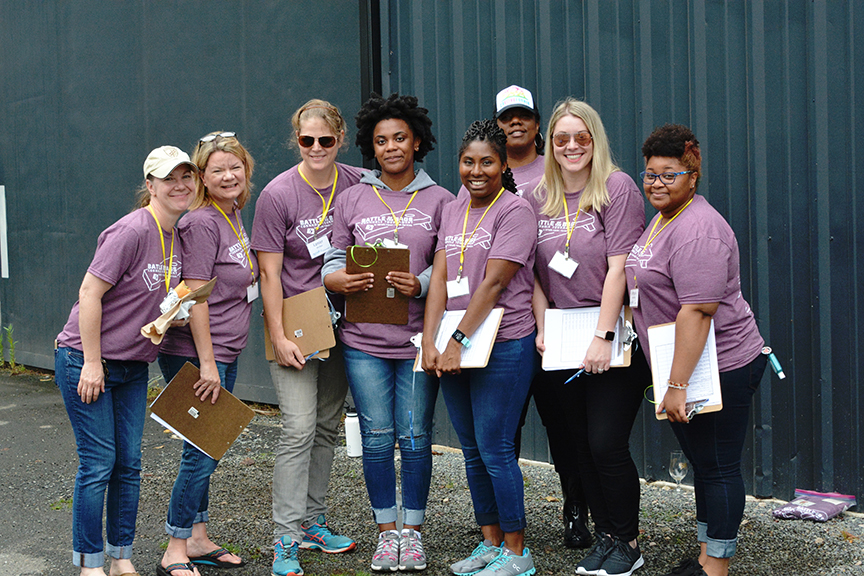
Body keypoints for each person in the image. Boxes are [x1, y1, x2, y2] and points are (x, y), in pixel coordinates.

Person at [625, 124, 767, 576]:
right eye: (650, 175)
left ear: (693, 175)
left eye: (669, 175)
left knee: (719, 467)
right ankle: (706, 556)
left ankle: (715, 568)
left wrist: (676, 385)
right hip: (685, 362)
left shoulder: (699, 230)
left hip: (718, 365)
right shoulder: (664, 218)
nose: (657, 184)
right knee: (705, 464)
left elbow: (699, 312)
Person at [322, 93, 452, 572]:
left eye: (400, 138)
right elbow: (331, 260)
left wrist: (420, 283)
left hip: (418, 340)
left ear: (417, 142)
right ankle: (385, 533)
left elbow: (449, 266)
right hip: (364, 342)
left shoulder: (442, 200)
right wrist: (337, 280)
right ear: (370, 147)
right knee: (377, 438)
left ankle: (412, 535)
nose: (391, 147)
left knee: (415, 436)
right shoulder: (352, 198)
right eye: (381, 141)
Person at [55, 146, 197, 576]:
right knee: (98, 464)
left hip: (134, 365)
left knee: (129, 465)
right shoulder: (131, 230)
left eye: (186, 176)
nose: (180, 185)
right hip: (87, 359)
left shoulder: (177, 234)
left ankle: (121, 558)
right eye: (168, 178)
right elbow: (89, 293)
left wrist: (173, 316)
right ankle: (89, 564)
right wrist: (92, 362)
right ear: (150, 185)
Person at [527, 98, 650, 576]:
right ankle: (606, 536)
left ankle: (629, 542)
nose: (572, 146)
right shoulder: (539, 195)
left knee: (605, 443)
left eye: (582, 137)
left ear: (595, 140)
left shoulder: (616, 188)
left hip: (611, 333)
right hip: (562, 335)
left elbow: (620, 266)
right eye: (562, 138)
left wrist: (603, 333)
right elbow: (534, 273)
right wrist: (542, 326)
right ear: (550, 144)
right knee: (579, 445)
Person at [251, 100, 365, 576]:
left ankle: (313, 522)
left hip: (344, 322)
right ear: (296, 140)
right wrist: (278, 335)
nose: (316, 148)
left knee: (325, 426)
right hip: (296, 322)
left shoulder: (358, 183)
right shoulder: (278, 195)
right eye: (306, 140)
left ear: (340, 140)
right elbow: (269, 275)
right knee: (297, 428)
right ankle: (285, 538)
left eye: (326, 140)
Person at [422, 119, 538, 576]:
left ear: (503, 164)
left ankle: (518, 553)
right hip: (454, 342)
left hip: (503, 343)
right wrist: (429, 340)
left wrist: (455, 342)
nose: (476, 171)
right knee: (471, 449)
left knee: (495, 448)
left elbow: (493, 284)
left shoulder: (516, 211)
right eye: (468, 162)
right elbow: (439, 278)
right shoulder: (453, 209)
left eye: (487, 162)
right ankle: (490, 543)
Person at [155, 132, 258, 576]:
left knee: (209, 445)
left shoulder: (231, 212)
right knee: (200, 452)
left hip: (223, 349)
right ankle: (175, 549)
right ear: (202, 177)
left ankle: (197, 538)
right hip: (198, 356)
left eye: (235, 167)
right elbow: (195, 298)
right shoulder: (201, 222)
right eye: (217, 170)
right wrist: (209, 365)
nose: (228, 176)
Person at [456, 84, 544, 199]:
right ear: (496, 127)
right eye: (506, 118)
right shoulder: (477, 180)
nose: (515, 121)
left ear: (537, 125)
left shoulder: (556, 169)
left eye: (524, 116)